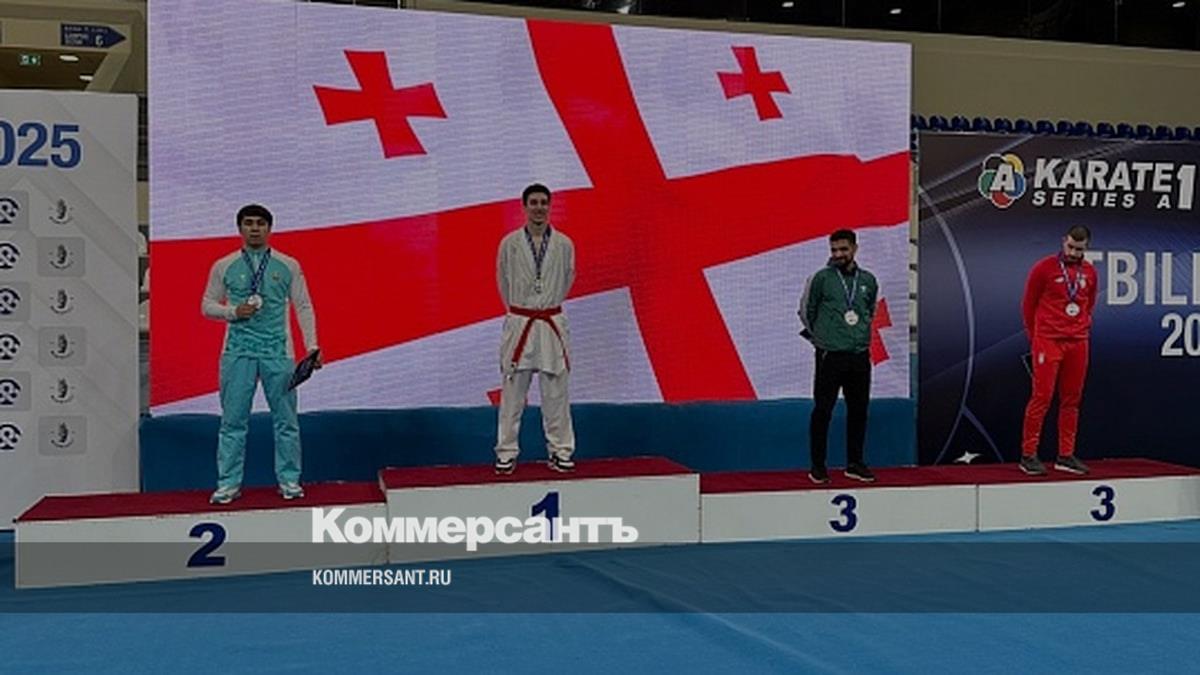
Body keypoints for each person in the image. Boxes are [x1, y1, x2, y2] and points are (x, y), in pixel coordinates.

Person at [202, 204, 321, 504]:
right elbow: (207, 305)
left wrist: (312, 347)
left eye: (260, 223)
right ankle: (228, 484)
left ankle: (289, 480)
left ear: (269, 228)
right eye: (248, 223)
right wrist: (232, 311)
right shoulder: (224, 265)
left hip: (278, 352)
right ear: (239, 228)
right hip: (237, 352)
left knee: (286, 421)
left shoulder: (288, 265)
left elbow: (303, 306)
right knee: (232, 421)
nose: (254, 228)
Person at [494, 184, 576, 475]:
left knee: (556, 393)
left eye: (543, 202)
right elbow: (503, 281)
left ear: (549, 206)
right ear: (525, 206)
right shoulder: (510, 244)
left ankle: (560, 450)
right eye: (534, 202)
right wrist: (520, 310)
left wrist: (546, 304)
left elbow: (568, 278)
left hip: (550, 322)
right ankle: (506, 452)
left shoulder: (564, 244)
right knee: (513, 393)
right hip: (521, 321)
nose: (539, 207)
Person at [799, 229, 879, 484]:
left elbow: (869, 311)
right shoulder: (821, 278)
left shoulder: (868, 280)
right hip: (830, 355)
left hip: (859, 355)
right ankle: (817, 466)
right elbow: (806, 311)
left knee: (859, 410)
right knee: (823, 410)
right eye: (834, 250)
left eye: (843, 249)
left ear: (854, 249)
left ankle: (854, 463)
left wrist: (857, 334)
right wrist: (824, 339)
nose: (838, 254)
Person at [1019, 225, 1097, 476]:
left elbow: (1089, 304)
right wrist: (1036, 339)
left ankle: (1065, 455)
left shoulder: (1090, 272)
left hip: (1078, 341)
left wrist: (1080, 327)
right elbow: (1028, 306)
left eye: (1079, 249)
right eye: (1070, 247)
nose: (1073, 253)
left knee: (1072, 399)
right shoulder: (1044, 268)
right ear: (1064, 241)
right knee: (1041, 397)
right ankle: (1028, 455)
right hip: (1048, 341)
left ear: (1086, 248)